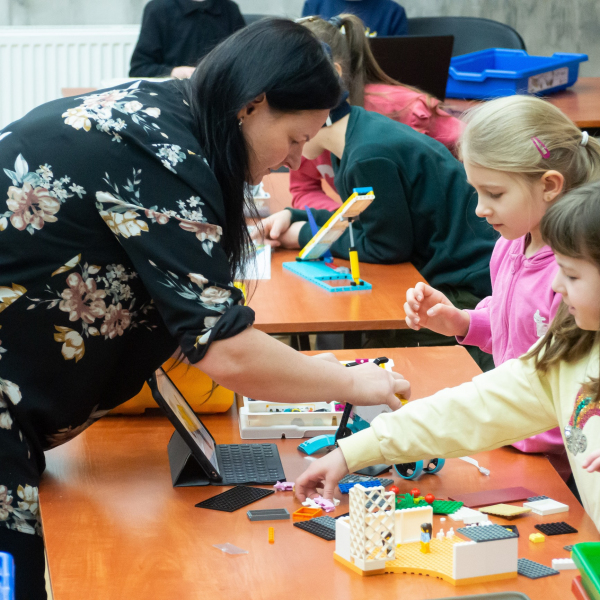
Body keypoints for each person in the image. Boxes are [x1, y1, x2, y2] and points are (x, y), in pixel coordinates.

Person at [0, 20, 410, 600]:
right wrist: (352, 383)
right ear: (252, 105)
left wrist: (309, 373)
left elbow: (195, 306)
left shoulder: (172, 114)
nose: (292, 161)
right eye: (294, 139)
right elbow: (224, 348)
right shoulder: (164, 156)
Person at [296, 180, 600, 533]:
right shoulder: (568, 350)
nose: (557, 285)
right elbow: (477, 406)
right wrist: (352, 452)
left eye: (572, 274)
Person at [404, 96, 600, 483]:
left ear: (549, 185)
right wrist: (463, 322)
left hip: (562, 462)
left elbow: (568, 375)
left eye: (494, 193)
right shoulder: (509, 246)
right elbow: (512, 323)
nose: (480, 208)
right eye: (476, 191)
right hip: (511, 437)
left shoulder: (574, 277)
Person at [256, 96, 497, 367]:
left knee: (377, 348)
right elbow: (366, 221)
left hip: (472, 290)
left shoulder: (367, 156)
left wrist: (303, 235)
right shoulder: (358, 133)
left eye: (291, 137)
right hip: (452, 272)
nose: (292, 156)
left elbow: (386, 247)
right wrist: (298, 217)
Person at [292, 14, 464, 211]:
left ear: (333, 73)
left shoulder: (403, 108)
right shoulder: (303, 124)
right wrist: (343, 220)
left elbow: (479, 144)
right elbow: (303, 189)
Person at [129, 0, 245, 78]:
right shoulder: (158, 9)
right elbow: (139, 69)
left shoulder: (230, 9)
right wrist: (174, 72)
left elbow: (245, 63)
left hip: (219, 95)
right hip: (173, 93)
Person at [302, 0, 407, 37]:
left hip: (374, 78)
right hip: (324, 79)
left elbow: (399, 62)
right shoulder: (313, 6)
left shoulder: (393, 12)